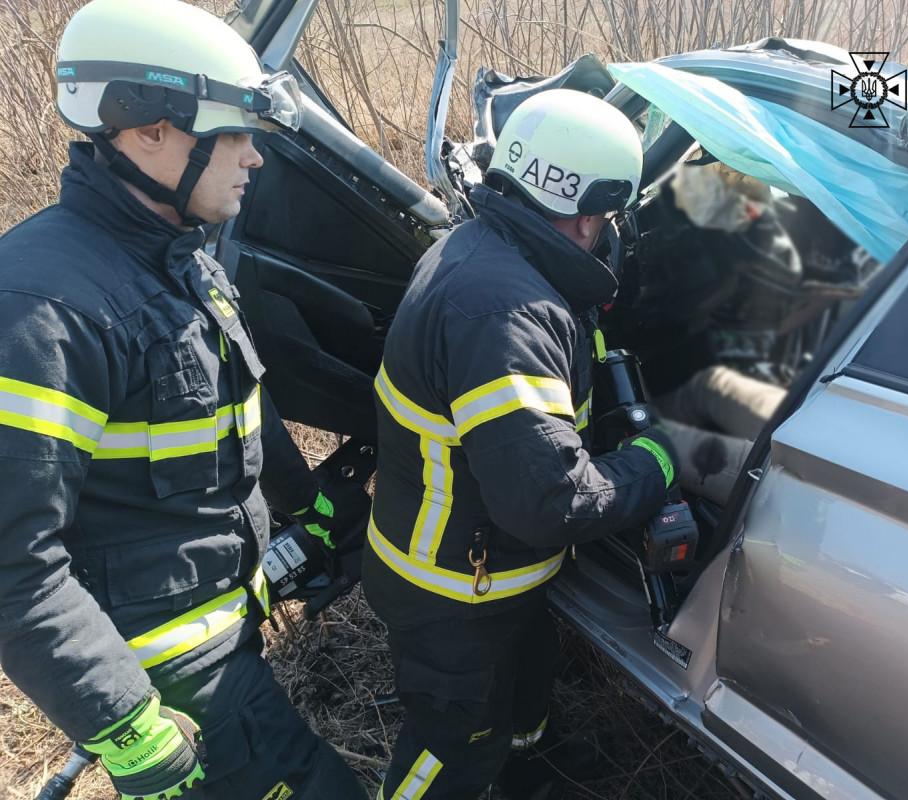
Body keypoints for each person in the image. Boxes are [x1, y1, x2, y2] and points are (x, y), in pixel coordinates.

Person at [0, 0, 368, 797]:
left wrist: (306, 506)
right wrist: (126, 724)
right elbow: (11, 560)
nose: (254, 158)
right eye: (232, 132)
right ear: (145, 128)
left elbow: (234, 408)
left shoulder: (182, 258)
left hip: (222, 634)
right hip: (164, 680)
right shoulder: (42, 306)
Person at [363, 88, 679, 799]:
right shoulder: (505, 312)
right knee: (455, 750)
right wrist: (654, 464)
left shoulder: (483, 247)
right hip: (452, 592)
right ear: (587, 214)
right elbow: (547, 502)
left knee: (524, 694)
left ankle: (529, 775)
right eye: (607, 219)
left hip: (482, 575)